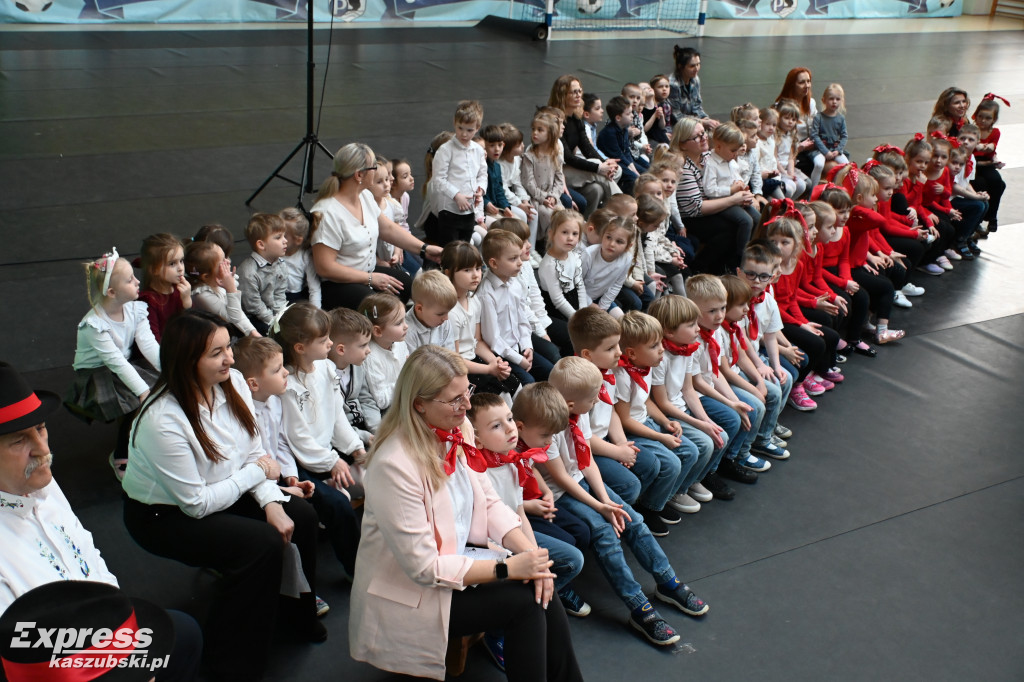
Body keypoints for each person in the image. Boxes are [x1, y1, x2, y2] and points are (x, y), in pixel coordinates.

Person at [348, 345, 583, 682]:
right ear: (419, 404)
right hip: (415, 591)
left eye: (467, 392)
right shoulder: (393, 465)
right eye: (455, 399)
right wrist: (507, 567)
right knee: (526, 601)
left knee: (540, 584)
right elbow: (424, 568)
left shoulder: (459, 429)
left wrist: (531, 557)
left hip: (458, 558)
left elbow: (488, 503)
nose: (468, 406)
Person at [121, 310, 324, 682]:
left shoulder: (232, 383)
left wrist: (272, 502)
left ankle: (294, 614)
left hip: (228, 484)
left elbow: (252, 450)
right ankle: (231, 662)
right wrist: (262, 478)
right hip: (163, 517)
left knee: (304, 517)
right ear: (187, 361)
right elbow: (197, 504)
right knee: (259, 544)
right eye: (217, 353)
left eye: (227, 347)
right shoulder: (161, 420)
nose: (230, 358)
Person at [0, 360, 201, 681]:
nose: (43, 450)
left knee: (185, 633)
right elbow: (23, 659)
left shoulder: (43, 482)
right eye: (19, 440)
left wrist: (124, 628)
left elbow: (89, 555)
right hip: (62, 667)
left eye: (40, 428)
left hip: (105, 631)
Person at [539, 358, 709, 647]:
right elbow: (562, 479)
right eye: (593, 398)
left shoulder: (576, 414)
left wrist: (606, 500)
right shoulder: (547, 425)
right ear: (570, 404)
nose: (598, 402)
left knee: (633, 519)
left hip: (579, 481)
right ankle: (638, 607)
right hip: (560, 493)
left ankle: (668, 581)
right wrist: (599, 507)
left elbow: (585, 460)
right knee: (606, 533)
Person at [310, 142, 441, 310]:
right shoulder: (327, 212)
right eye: (374, 167)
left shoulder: (364, 195)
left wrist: (425, 249)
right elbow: (325, 268)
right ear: (359, 175)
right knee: (380, 307)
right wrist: (370, 278)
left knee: (406, 284)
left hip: (367, 274)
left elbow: (388, 229)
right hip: (338, 285)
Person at [65, 249, 160, 479]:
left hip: (121, 364)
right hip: (96, 373)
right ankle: (120, 454)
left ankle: (144, 439)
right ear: (111, 291)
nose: (138, 281)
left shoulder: (135, 310)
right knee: (135, 403)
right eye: (130, 280)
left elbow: (149, 345)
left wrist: (171, 371)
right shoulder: (94, 324)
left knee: (159, 389)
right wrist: (142, 391)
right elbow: (116, 363)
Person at [668, 117, 756, 274]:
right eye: (697, 137)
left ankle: (733, 265)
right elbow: (696, 208)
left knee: (751, 217)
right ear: (682, 144)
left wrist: (745, 194)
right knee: (730, 227)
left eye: (703, 133)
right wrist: (733, 198)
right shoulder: (683, 167)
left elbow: (732, 174)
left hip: (715, 203)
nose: (704, 138)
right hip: (691, 218)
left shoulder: (708, 156)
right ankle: (704, 268)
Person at [547, 74, 620, 215]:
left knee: (597, 188)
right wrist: (599, 167)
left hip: (572, 170)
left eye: (580, 91)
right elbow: (568, 157)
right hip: (558, 173)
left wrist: (605, 163)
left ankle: (591, 224)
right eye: (574, 92)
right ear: (562, 95)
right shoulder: (555, 119)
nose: (579, 95)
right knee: (599, 168)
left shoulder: (576, 117)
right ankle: (623, 210)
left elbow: (586, 147)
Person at [427, 100, 487, 245]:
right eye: (460, 128)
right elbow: (438, 179)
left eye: (469, 130)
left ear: (477, 128)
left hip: (470, 209)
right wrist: (456, 195)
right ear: (454, 123)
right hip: (449, 211)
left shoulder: (478, 150)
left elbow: (482, 174)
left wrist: (481, 190)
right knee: (451, 249)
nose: (464, 134)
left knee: (465, 247)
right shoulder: (445, 150)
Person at [186, 240, 259, 338]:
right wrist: (231, 289)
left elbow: (239, 314)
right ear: (206, 276)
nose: (228, 261)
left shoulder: (218, 282)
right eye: (222, 262)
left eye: (225, 257)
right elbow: (234, 318)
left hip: (230, 331)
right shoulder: (202, 295)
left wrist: (253, 332)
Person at [236, 213, 288, 336]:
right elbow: (253, 306)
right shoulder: (248, 272)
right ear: (261, 244)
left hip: (271, 313)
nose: (285, 241)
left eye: (284, 236)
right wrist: (274, 322)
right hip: (252, 318)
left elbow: (280, 293)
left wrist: (282, 316)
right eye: (278, 237)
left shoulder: (281, 264)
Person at [137, 233, 191, 343]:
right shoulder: (148, 301)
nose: (180, 268)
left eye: (181, 261)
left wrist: (187, 301)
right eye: (172, 264)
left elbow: (191, 325)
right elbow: (153, 342)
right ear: (154, 270)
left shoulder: (179, 289)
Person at [970, 94, 1007, 233]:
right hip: (974, 163)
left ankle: (992, 216)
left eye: (988, 118)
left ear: (994, 119)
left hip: (987, 162)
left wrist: (994, 158)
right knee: (981, 184)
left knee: (997, 182)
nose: (983, 121)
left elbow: (992, 149)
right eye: (980, 117)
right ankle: (980, 217)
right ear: (976, 116)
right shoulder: (972, 130)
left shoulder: (995, 132)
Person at [773, 67, 819, 178]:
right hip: (792, 150)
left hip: (809, 146)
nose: (806, 85)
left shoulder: (811, 103)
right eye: (801, 82)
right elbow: (778, 140)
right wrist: (800, 147)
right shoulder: (780, 106)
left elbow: (817, 126)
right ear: (792, 85)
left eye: (808, 81)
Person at [808, 83, 850, 188]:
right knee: (819, 164)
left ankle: (838, 188)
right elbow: (815, 136)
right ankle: (813, 190)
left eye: (837, 99)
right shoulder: (819, 118)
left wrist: (838, 150)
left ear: (841, 101)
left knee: (847, 166)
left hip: (835, 149)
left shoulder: (840, 119)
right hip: (820, 149)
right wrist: (825, 152)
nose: (834, 102)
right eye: (831, 99)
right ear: (824, 100)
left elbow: (844, 136)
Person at [667, 46, 719, 129]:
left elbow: (697, 106)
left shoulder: (695, 79)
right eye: (692, 66)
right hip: (677, 126)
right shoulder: (673, 85)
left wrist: (706, 119)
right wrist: (702, 122)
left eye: (698, 64)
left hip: (693, 122)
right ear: (680, 66)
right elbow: (676, 116)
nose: (696, 69)